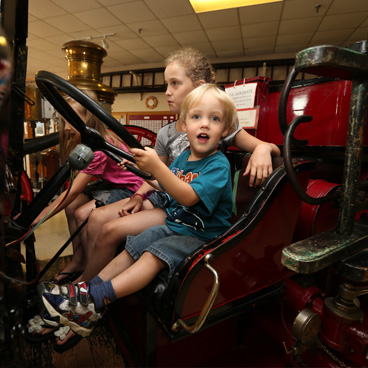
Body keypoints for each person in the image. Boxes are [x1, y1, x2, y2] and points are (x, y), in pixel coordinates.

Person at [38, 83, 238, 343]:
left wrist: (158, 165)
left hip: (201, 234)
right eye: (196, 117)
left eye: (215, 119)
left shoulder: (218, 164)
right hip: (177, 223)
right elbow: (163, 185)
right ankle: (85, 292)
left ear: (225, 129)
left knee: (152, 256)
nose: (204, 125)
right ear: (184, 125)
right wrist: (139, 170)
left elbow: (187, 195)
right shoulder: (184, 157)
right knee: (137, 244)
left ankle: (94, 299)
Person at [68, 47, 280, 284]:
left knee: (108, 227)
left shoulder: (215, 131)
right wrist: (138, 195)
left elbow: (267, 146)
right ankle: (87, 280)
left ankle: (91, 287)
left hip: (182, 204)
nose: (168, 92)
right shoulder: (167, 133)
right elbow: (156, 173)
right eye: (166, 85)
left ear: (198, 87)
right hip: (164, 194)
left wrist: (263, 148)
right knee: (98, 220)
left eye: (175, 84)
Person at [30, 90, 144, 283]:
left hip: (131, 189)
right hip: (112, 185)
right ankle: (79, 260)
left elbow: (73, 191)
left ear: (88, 118)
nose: (66, 128)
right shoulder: (89, 141)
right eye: (64, 121)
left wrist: (39, 216)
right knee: (72, 209)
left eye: (72, 121)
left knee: (83, 213)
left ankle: (91, 271)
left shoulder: (98, 148)